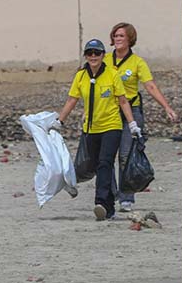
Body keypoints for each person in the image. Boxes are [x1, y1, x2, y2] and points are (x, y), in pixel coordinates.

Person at [52, 39, 140, 221]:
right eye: (89, 53)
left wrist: (132, 124)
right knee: (93, 165)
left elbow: (123, 101)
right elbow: (72, 100)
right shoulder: (81, 76)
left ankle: (99, 202)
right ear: (85, 55)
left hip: (111, 126)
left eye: (97, 53)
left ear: (102, 55)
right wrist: (59, 121)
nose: (93, 56)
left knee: (105, 163)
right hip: (91, 129)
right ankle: (108, 208)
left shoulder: (112, 74)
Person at [104, 22, 178, 212]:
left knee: (126, 155)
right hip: (108, 112)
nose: (117, 39)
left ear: (130, 39)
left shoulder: (137, 62)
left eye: (121, 36)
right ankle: (108, 196)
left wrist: (166, 107)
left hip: (132, 111)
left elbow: (150, 85)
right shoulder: (103, 59)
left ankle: (127, 198)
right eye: (115, 36)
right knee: (106, 157)